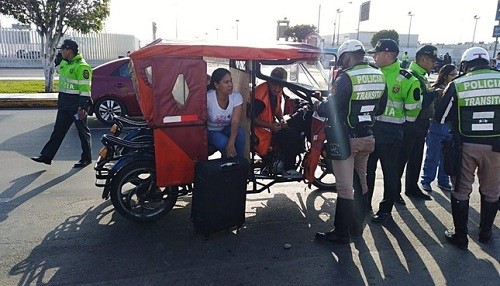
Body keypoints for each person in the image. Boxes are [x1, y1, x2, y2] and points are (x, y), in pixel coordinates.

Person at [315, 40, 388, 244]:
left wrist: (318, 106)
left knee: (345, 187)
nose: (342, 63)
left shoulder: (347, 78)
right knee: (362, 181)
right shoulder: (379, 75)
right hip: (368, 138)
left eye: (342, 59)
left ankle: (340, 233)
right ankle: (357, 227)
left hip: (348, 139)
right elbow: (380, 109)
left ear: (347, 56)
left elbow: (332, 107)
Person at [435, 47, 500, 250]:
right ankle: (486, 233)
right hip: (497, 147)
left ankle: (460, 236)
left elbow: (441, 117)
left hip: (465, 145)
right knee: (491, 191)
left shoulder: (458, 84)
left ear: (465, 64)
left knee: (461, 190)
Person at [365, 39, 422, 223]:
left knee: (390, 173)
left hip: (391, 133)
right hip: (372, 130)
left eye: (377, 53)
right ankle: (365, 204)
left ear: (388, 55)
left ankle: (385, 210)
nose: (374, 56)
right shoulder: (373, 74)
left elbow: (414, 108)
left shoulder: (406, 78)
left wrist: (402, 121)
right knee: (367, 170)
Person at [31, 39, 93, 168]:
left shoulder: (82, 67)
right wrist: (57, 57)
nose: (61, 52)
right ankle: (46, 156)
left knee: (83, 133)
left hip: (76, 107)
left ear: (69, 50)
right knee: (58, 132)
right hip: (64, 106)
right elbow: (58, 70)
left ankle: (86, 158)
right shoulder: (65, 63)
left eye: (63, 50)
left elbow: (85, 89)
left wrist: (81, 107)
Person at [396, 45, 442, 204]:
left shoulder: (422, 74)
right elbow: (420, 103)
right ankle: (394, 191)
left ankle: (412, 187)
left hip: (421, 124)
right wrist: (435, 93)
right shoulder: (413, 75)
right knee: (402, 158)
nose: (434, 64)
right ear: (422, 59)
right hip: (411, 123)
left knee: (416, 157)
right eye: (432, 61)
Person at [253, 67, 302, 179]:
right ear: (269, 81)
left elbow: (277, 110)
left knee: (291, 130)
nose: (277, 89)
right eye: (275, 85)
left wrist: (281, 119)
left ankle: (276, 163)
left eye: (280, 86)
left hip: (270, 126)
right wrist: (270, 126)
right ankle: (289, 169)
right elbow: (251, 119)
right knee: (291, 136)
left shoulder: (277, 92)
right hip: (260, 130)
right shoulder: (261, 96)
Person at [420, 64, 457, 192]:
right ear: (445, 76)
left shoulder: (455, 89)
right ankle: (426, 180)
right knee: (432, 156)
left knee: (446, 156)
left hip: (449, 127)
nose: (455, 77)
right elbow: (432, 110)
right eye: (453, 74)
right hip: (436, 126)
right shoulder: (438, 89)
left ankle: (443, 180)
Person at [207, 68, 245, 157]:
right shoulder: (208, 98)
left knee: (240, 132)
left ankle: (239, 163)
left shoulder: (236, 97)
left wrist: (231, 143)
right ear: (217, 85)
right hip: (210, 131)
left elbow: (235, 122)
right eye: (226, 82)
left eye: (231, 81)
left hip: (225, 128)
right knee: (223, 142)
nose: (230, 85)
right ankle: (228, 166)